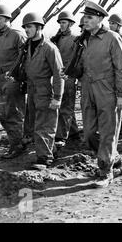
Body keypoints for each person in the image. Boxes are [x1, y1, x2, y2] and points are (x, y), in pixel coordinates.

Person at [78, 1, 122, 188]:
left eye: (90, 17)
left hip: (107, 91)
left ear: (100, 19)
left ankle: (105, 171)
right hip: (87, 90)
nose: (85, 20)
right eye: (85, 17)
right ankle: (112, 156)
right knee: (89, 133)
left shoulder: (112, 38)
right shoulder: (83, 39)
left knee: (107, 132)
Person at [19, 12, 64, 168]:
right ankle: (52, 150)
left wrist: (57, 97)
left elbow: (59, 74)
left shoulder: (50, 48)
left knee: (44, 125)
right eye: (25, 27)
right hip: (32, 89)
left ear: (39, 27)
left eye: (29, 27)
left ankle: (44, 159)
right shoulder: (27, 46)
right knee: (33, 123)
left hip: (45, 89)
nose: (26, 30)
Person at [0, 5, 27, 159]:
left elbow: (26, 58)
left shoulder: (17, 35)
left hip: (12, 80)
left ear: (7, 19)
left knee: (14, 113)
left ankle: (18, 145)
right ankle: (15, 144)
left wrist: (18, 78)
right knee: (3, 115)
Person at [50, 11, 79, 149]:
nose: (61, 25)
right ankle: (73, 133)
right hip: (58, 75)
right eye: (60, 23)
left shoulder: (75, 38)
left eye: (64, 23)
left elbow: (78, 60)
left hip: (68, 76)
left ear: (71, 24)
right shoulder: (57, 38)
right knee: (65, 105)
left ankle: (61, 137)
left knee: (66, 106)